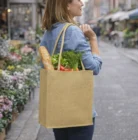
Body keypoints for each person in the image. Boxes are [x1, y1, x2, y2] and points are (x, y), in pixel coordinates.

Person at [40, 0, 102, 140]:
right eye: (78, 0)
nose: (82, 3)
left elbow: (44, 67)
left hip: (57, 107)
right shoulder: (72, 30)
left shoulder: (48, 32)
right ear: (66, 5)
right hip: (76, 108)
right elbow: (94, 68)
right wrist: (92, 39)